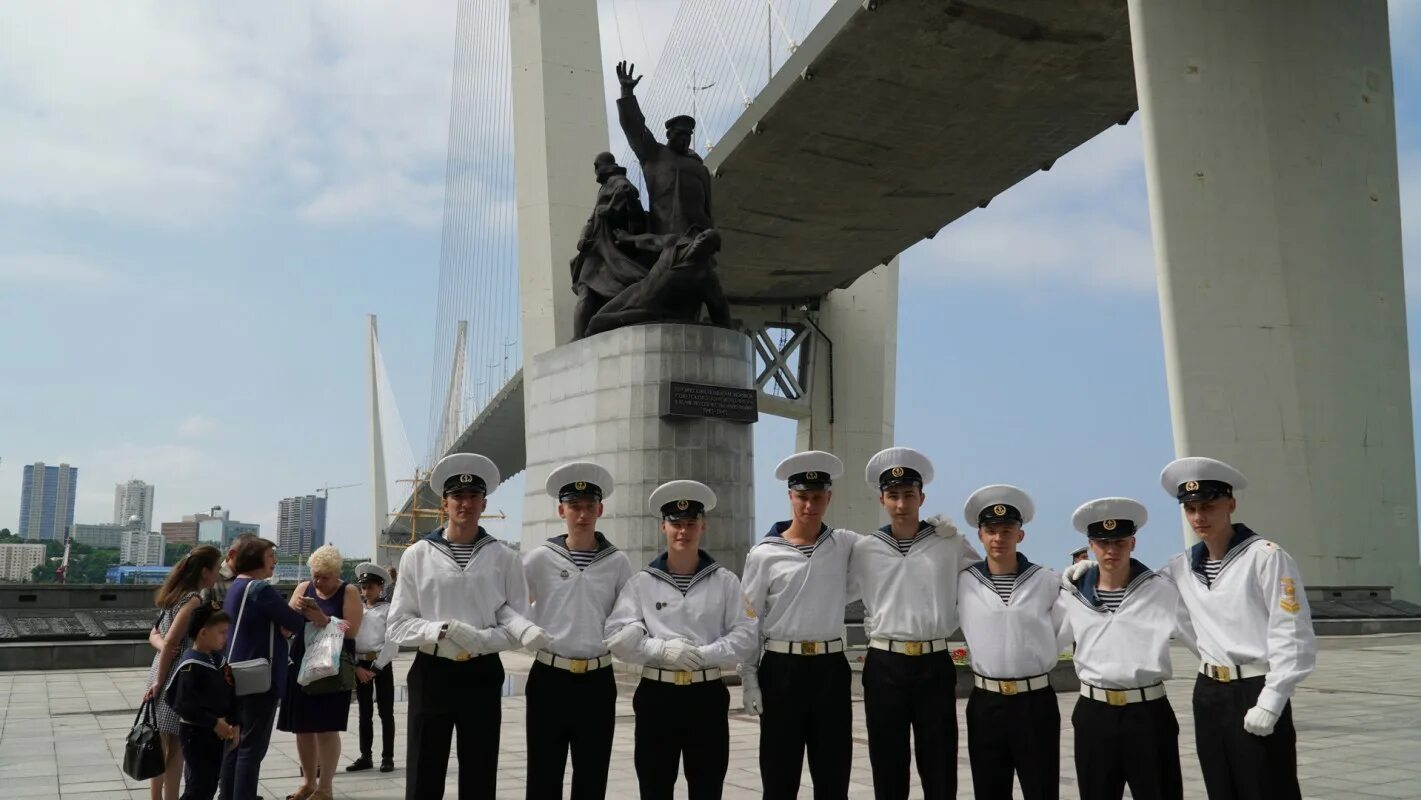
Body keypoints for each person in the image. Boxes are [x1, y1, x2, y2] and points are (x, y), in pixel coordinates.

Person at [1157, 457, 1315, 800]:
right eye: (1191, 509)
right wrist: (1086, 573)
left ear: (1231, 504)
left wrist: (1273, 700)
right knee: (1221, 786)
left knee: (1268, 787)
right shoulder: (1180, 567)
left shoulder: (1266, 557)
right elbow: (1141, 589)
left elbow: (1292, 633)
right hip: (1209, 691)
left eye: (1209, 506)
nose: (1199, 517)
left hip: (1256, 687)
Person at [387, 453, 542, 800]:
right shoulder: (417, 554)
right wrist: (438, 631)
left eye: (474, 497)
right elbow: (397, 625)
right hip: (432, 672)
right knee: (424, 774)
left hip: (482, 673)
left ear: (484, 503)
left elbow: (518, 623)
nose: (466, 504)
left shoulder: (504, 557)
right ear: (444, 503)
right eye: (458, 496)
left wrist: (482, 640)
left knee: (479, 773)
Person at [604, 479, 758, 800]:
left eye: (691, 524)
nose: (683, 532)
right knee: (654, 788)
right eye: (676, 524)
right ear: (663, 527)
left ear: (703, 526)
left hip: (706, 695)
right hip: (657, 695)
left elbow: (746, 635)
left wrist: (708, 654)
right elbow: (616, 637)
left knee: (707, 788)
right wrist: (657, 648)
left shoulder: (725, 581)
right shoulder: (642, 583)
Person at [848, 448, 980, 800]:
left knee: (939, 761)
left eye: (909, 495)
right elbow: (829, 588)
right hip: (884, 662)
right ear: (882, 499)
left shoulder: (948, 542)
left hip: (932, 662)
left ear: (922, 497)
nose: (902, 503)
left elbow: (985, 581)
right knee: (887, 761)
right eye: (893, 496)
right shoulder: (866, 548)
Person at [1059, 497, 1195, 800]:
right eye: (1102, 542)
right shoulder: (1071, 594)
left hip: (1148, 713)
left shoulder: (1162, 589)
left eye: (1119, 542)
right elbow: (1042, 638)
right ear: (1090, 546)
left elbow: (1201, 638)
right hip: (1094, 713)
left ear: (1132, 543)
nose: (1111, 550)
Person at [740, 451, 856, 800]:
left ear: (829, 497)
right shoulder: (763, 553)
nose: (810, 505)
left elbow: (891, 555)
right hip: (781, 670)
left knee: (834, 775)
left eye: (817, 497)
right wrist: (748, 678)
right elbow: (748, 619)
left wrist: (934, 534)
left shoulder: (845, 544)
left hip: (830, 668)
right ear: (790, 496)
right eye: (802, 497)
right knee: (779, 775)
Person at [517, 461, 634, 800]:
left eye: (588, 507)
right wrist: (526, 630)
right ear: (560, 510)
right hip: (549, 678)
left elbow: (627, 615)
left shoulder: (617, 562)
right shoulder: (539, 559)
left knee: (592, 774)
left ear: (600, 509)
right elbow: (513, 607)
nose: (582, 514)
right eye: (574, 507)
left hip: (597, 680)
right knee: (543, 773)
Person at [957, 485, 1063, 800]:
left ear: (1020, 535)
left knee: (1041, 788)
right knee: (989, 790)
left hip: (1035, 702)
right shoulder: (964, 581)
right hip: (986, 703)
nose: (999, 538)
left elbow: (1064, 628)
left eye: (1007, 530)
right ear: (980, 535)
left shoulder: (1046, 581)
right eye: (991, 531)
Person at [220, 536, 329, 800]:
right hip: (259, 677)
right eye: (270, 556)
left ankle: (229, 795)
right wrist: (303, 609)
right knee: (251, 748)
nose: (275, 562)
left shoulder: (237, 586)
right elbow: (292, 620)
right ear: (256, 558)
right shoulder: (260, 589)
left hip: (235, 671)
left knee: (235, 743)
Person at [278, 544, 363, 800]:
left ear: (336, 574)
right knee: (302, 728)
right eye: (315, 575)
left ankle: (325, 786)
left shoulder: (348, 591)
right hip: (302, 664)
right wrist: (295, 612)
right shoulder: (304, 588)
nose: (318, 582)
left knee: (327, 728)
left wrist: (323, 618)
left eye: (324, 577)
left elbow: (353, 630)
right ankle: (308, 782)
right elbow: (286, 627)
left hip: (331, 668)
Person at [144, 545, 222, 800]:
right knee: (175, 748)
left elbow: (156, 637)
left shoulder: (173, 594)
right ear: (204, 572)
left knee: (161, 745)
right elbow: (170, 642)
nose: (219, 574)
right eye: (217, 568)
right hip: (175, 677)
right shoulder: (192, 600)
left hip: (161, 669)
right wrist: (160, 680)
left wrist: (158, 671)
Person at [614, 60, 714, 238]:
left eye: (688, 135)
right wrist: (627, 92)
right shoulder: (654, 154)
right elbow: (634, 127)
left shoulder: (700, 168)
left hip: (700, 235)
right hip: (666, 234)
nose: (684, 139)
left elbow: (708, 207)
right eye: (679, 134)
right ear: (668, 135)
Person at [570, 152, 652, 339]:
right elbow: (592, 218)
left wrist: (610, 208)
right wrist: (583, 237)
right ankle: (580, 336)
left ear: (601, 167)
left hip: (608, 250)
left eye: (596, 167)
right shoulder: (605, 187)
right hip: (598, 249)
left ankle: (579, 336)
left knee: (587, 290)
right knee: (587, 290)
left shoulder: (616, 179)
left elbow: (627, 190)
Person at [165, 604, 237, 800]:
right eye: (221, 632)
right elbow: (183, 705)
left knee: (209, 783)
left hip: (217, 731)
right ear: (203, 633)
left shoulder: (218, 660)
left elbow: (231, 694)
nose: (225, 637)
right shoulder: (191, 665)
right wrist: (214, 723)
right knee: (199, 786)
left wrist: (235, 723)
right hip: (196, 733)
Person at [347, 562, 398, 774]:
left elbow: (392, 641)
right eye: (364, 587)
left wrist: (376, 668)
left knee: (386, 712)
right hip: (361, 665)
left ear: (381, 587)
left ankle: (388, 757)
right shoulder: (357, 609)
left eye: (371, 586)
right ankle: (365, 755)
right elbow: (350, 638)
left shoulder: (389, 610)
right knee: (364, 712)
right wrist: (357, 665)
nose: (366, 590)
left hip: (381, 664)